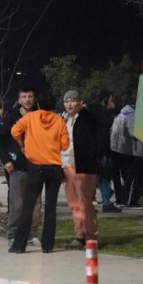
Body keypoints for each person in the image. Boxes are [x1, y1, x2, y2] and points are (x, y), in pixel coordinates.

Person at [9, 95, 69, 254]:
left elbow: (14, 131)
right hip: (54, 168)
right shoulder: (59, 121)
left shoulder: (30, 117)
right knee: (51, 208)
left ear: (39, 104)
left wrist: (23, 144)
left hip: (34, 168)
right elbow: (65, 145)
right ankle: (48, 245)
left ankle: (19, 245)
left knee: (28, 207)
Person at [0, 87, 42, 247]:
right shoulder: (11, 117)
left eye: (30, 96)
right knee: (17, 204)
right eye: (24, 96)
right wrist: (6, 160)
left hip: (36, 167)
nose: (27, 99)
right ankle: (13, 235)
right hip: (17, 167)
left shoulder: (40, 116)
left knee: (35, 204)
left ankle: (31, 235)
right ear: (19, 100)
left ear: (34, 99)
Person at [61, 91, 100, 249]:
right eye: (67, 101)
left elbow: (96, 133)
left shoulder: (86, 118)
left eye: (73, 101)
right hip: (66, 165)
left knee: (85, 203)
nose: (70, 104)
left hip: (84, 166)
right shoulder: (64, 120)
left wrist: (84, 110)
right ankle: (79, 235)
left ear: (80, 102)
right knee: (74, 204)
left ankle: (91, 236)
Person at [86, 90, 121, 213]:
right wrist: (111, 111)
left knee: (102, 177)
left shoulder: (92, 110)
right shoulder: (97, 111)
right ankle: (104, 202)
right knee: (102, 176)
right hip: (99, 149)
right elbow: (106, 123)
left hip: (97, 149)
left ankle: (105, 201)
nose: (112, 103)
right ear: (105, 100)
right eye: (111, 100)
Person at [110, 101, 143, 210]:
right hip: (130, 150)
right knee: (132, 177)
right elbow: (133, 133)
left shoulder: (120, 115)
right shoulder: (131, 116)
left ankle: (121, 199)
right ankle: (130, 201)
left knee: (120, 177)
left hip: (116, 149)